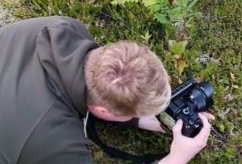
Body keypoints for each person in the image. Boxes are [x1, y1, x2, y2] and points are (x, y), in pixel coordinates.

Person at [0, 16, 214, 164]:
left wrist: (141, 119)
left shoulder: (63, 28)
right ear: (102, 111)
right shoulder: (54, 144)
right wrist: (177, 158)